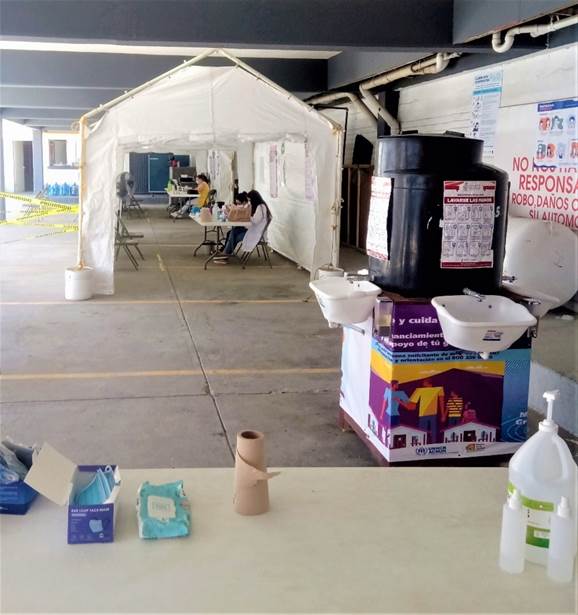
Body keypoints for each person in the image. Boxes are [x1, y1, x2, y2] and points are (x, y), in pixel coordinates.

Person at [214, 190, 271, 264]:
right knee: (233, 232)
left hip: (255, 233)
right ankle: (226, 253)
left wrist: (246, 216)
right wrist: (245, 215)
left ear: (254, 199)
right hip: (252, 230)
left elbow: (255, 221)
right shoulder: (258, 206)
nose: (249, 202)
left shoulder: (261, 207)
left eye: (250, 200)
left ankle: (225, 255)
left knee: (234, 235)